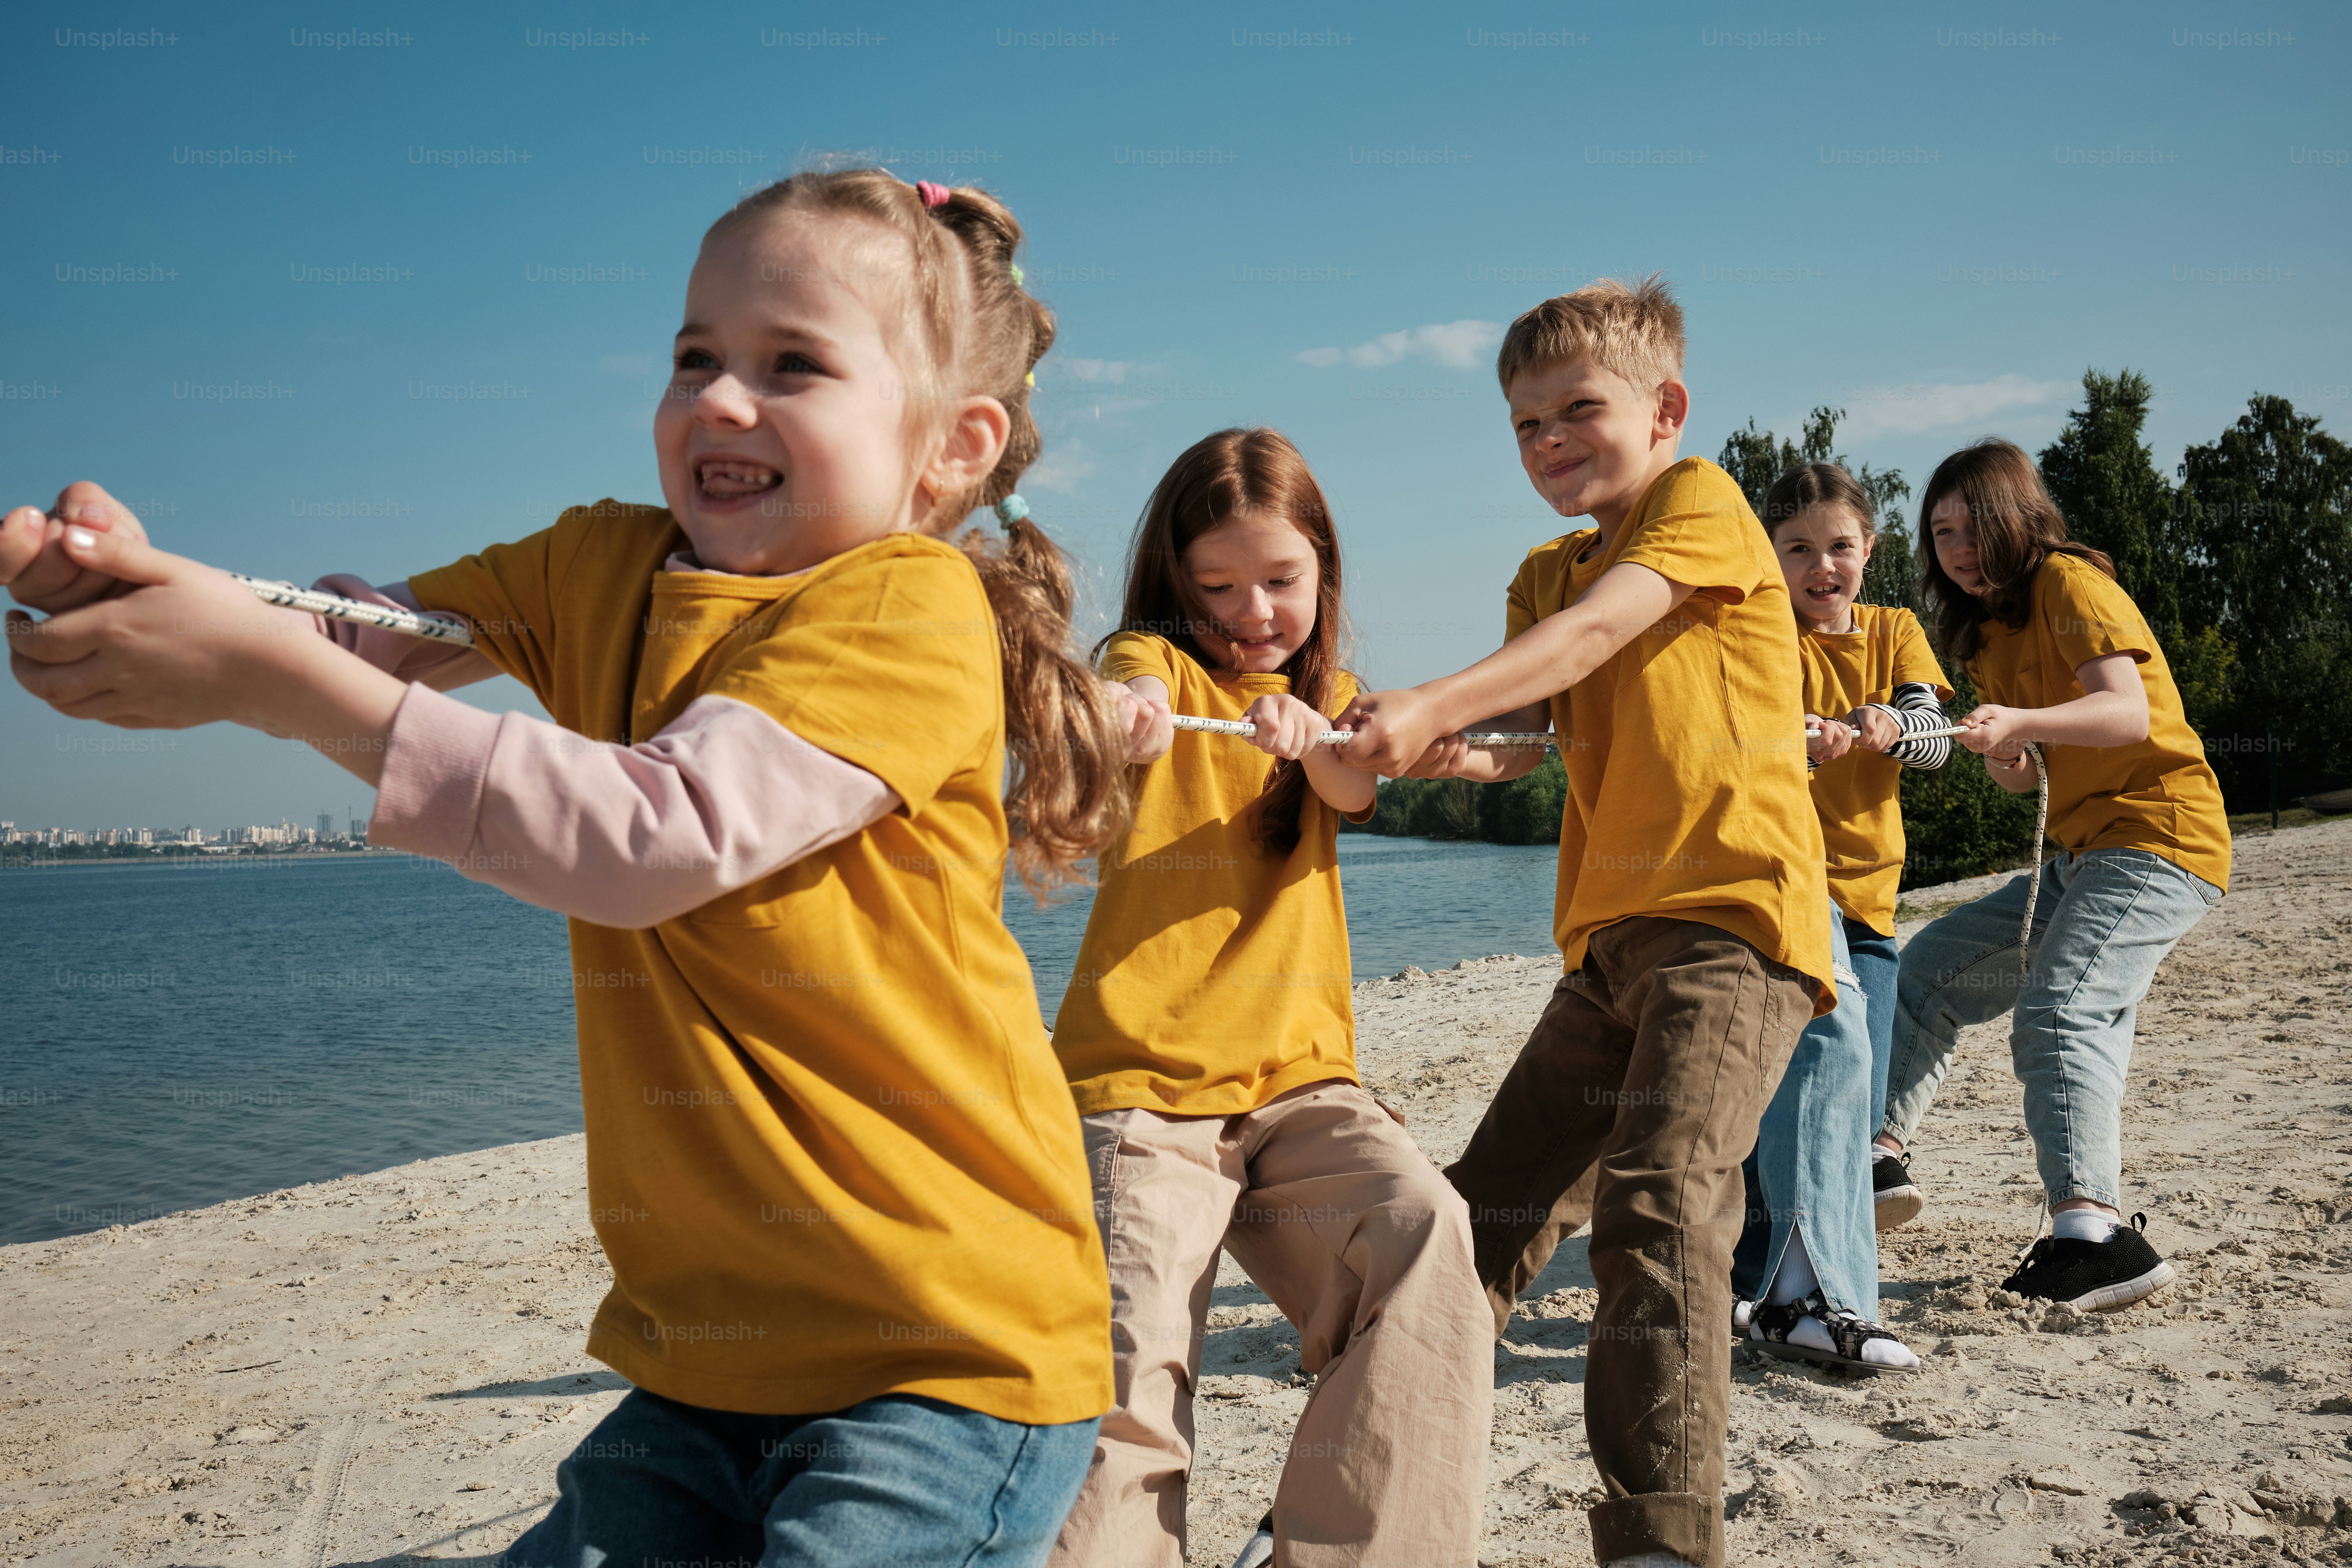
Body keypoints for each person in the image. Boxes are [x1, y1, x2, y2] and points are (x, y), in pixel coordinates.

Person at [3, 170, 1130, 1568]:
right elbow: (367, 637)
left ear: (954, 448)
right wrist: (158, 594)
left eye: (794, 366)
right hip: (708, 1356)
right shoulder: (600, 562)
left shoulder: (905, 607)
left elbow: (656, 836)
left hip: (948, 1351)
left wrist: (274, 684)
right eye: (694, 357)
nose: (722, 400)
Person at [1333, 276, 1833, 1568]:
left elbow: (1600, 632)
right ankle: (1373, 1482)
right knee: (1474, 1221)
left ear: (1666, 408)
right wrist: (1417, 737)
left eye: (1578, 410)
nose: (1549, 441)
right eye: (1524, 425)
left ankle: (1662, 1540)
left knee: (1661, 1207)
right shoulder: (1542, 568)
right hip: (1605, 949)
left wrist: (1439, 695)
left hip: (1732, 925)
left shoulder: (1699, 505)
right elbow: (1519, 741)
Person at [1047, 428, 1491, 1568]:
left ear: (1324, 573)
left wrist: (1305, 732)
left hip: (1301, 1095)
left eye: (1282, 581)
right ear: (1176, 586)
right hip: (1140, 1098)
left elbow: (1356, 780)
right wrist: (1119, 713)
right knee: (1130, 1377)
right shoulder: (1155, 662)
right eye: (1219, 586)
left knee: (1425, 1234)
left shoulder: (1340, 705)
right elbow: (1119, 690)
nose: (1253, 611)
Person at [1877, 438, 2229, 1310]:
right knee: (1929, 969)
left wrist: (2026, 717)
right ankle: (1874, 1158)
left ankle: (2094, 1234)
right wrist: (2005, 750)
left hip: (2159, 840)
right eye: (1940, 532)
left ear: (2016, 517)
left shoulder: (2073, 583)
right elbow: (2029, 767)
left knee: (2062, 1008)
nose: (1956, 548)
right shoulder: (1985, 631)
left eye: (1971, 526)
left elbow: (2125, 710)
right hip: (2080, 854)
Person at [1728, 463, 1952, 1374]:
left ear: (1871, 550)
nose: (1822, 566)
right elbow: (1741, 749)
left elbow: (1937, 739)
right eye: (1798, 549)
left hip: (1872, 901)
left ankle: (1783, 1278)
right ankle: (1787, 1284)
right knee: (1801, 1074)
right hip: (1788, 890)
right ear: (1771, 557)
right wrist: (1805, 746)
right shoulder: (1765, 634)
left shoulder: (1896, 632)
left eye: (1840, 547)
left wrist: (1895, 725)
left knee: (1842, 1102)